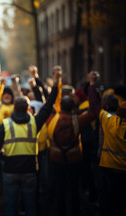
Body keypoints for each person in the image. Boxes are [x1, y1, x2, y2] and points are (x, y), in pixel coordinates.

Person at [0, 66, 61, 216]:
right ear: (28, 109)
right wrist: (56, 83)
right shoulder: (34, 123)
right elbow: (48, 106)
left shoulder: (6, 125)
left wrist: (6, 159)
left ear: (14, 109)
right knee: (31, 207)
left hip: (10, 170)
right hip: (30, 171)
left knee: (11, 207)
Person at [47, 71, 99, 216]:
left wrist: (56, 82)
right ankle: (75, 211)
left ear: (60, 107)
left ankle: (60, 211)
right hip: (75, 159)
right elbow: (93, 111)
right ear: (73, 108)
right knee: (74, 189)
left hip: (56, 159)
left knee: (60, 190)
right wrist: (92, 85)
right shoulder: (78, 120)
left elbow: (51, 103)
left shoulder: (52, 119)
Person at [88, 72, 126, 216]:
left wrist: (92, 84)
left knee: (113, 200)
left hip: (111, 168)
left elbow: (95, 105)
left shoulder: (109, 120)